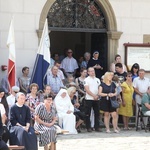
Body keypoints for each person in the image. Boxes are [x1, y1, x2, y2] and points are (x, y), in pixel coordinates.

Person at [84, 67, 101, 132]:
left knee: (97, 113)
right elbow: (87, 89)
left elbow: (99, 88)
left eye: (93, 71)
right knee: (88, 113)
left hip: (97, 98)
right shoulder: (86, 80)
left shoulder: (97, 79)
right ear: (88, 72)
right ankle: (88, 127)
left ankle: (97, 127)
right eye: (90, 71)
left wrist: (97, 95)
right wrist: (93, 95)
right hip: (89, 98)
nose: (92, 72)